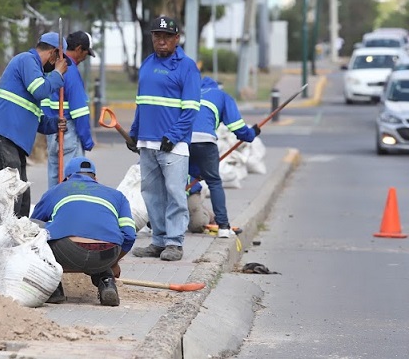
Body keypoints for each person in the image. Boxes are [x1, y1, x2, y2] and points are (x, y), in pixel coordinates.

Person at [128, 16, 201, 262]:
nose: (161, 41)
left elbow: (190, 109)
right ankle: (158, 241)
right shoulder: (147, 64)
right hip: (147, 142)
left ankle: (175, 243)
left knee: (174, 193)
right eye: (157, 36)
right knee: (151, 193)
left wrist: (174, 136)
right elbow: (142, 104)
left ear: (176, 39)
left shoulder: (186, 67)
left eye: (167, 37)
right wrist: (134, 132)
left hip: (173, 144)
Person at [0, 32, 68, 217]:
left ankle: (15, 242)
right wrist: (58, 73)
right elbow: (40, 90)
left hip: (13, 143)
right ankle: (2, 241)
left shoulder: (34, 72)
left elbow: (36, 119)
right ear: (54, 54)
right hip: (2, 138)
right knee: (11, 198)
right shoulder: (27, 60)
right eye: (60, 60)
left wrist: (55, 124)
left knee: (21, 201)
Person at [31, 156, 136, 307]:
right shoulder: (117, 196)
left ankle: (53, 288)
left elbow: (34, 225)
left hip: (67, 252)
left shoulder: (55, 191)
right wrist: (114, 262)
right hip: (106, 255)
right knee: (100, 241)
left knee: (33, 229)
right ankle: (106, 282)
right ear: (95, 178)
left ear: (67, 178)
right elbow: (130, 235)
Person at [189, 76, 260, 237]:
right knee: (214, 182)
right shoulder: (221, 96)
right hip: (206, 141)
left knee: (177, 179)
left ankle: (156, 224)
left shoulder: (188, 93)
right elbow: (238, 129)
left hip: (181, 140)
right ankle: (223, 227)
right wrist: (252, 133)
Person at [42, 30, 96, 189]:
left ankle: (52, 211)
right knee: (72, 180)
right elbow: (80, 111)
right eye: (86, 53)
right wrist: (87, 140)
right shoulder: (70, 70)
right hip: (67, 132)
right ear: (79, 49)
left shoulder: (52, 67)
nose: (84, 58)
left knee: (54, 181)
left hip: (52, 131)